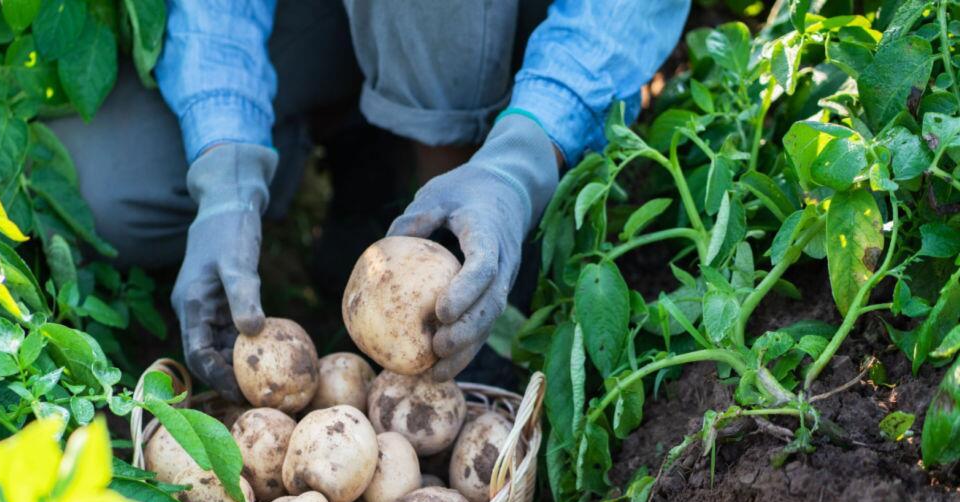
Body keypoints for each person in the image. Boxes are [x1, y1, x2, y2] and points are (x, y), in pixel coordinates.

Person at [49, 0, 690, 398]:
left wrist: (519, 163)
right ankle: (362, 147)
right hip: (325, 18)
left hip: (522, 26)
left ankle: (458, 219)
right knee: (100, 181)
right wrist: (224, 168)